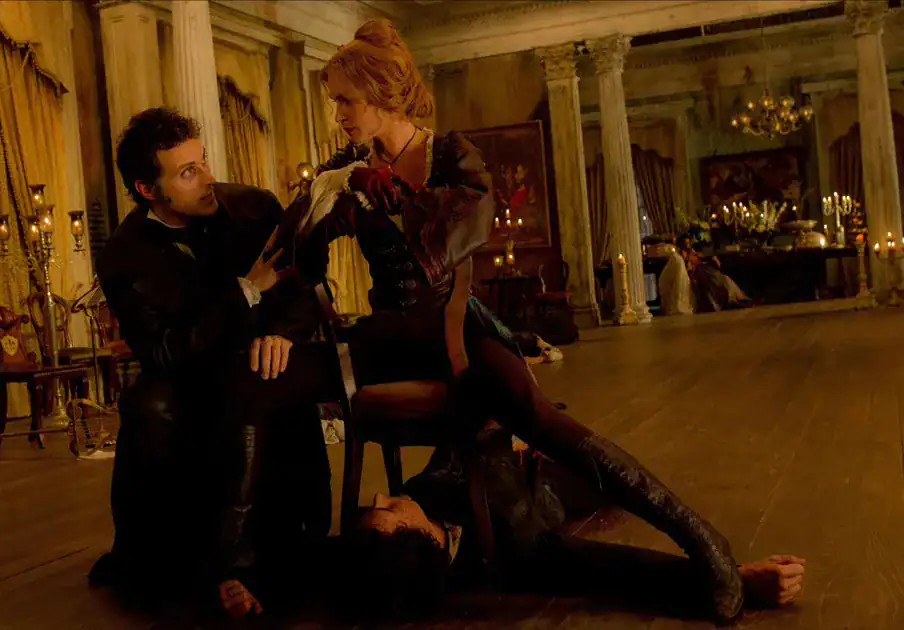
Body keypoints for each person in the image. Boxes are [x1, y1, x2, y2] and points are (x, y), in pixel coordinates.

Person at [284, 18, 750, 623]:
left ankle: (702, 539)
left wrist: (388, 195)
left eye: (346, 100)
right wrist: (323, 219)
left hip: (454, 326)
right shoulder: (346, 168)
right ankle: (252, 563)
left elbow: (456, 235)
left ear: (379, 93)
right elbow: (299, 253)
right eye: (335, 102)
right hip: (389, 335)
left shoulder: (450, 154)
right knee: (273, 380)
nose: (338, 113)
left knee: (535, 412)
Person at [91, 108, 331, 618]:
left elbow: (303, 289)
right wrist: (245, 292)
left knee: (259, 378)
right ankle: (193, 561)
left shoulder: (254, 206)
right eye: (187, 172)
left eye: (202, 162)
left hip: (264, 359)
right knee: (152, 404)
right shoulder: (123, 254)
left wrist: (282, 332)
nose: (206, 180)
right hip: (192, 372)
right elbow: (162, 352)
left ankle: (281, 546)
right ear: (147, 189)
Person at [347, 426, 806, 622]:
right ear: (418, 535)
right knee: (602, 481)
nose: (380, 496)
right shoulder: (510, 547)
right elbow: (612, 568)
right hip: (551, 481)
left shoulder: (421, 495)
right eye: (387, 510)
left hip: (517, 442)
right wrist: (738, 578)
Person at [678, 234, 751, 312]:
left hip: (704, 270)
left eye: (688, 243)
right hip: (697, 273)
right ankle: (727, 300)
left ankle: (734, 298)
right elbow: (687, 268)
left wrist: (708, 258)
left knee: (722, 278)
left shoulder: (693, 252)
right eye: (685, 244)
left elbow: (702, 257)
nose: (688, 245)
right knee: (711, 277)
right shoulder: (682, 255)